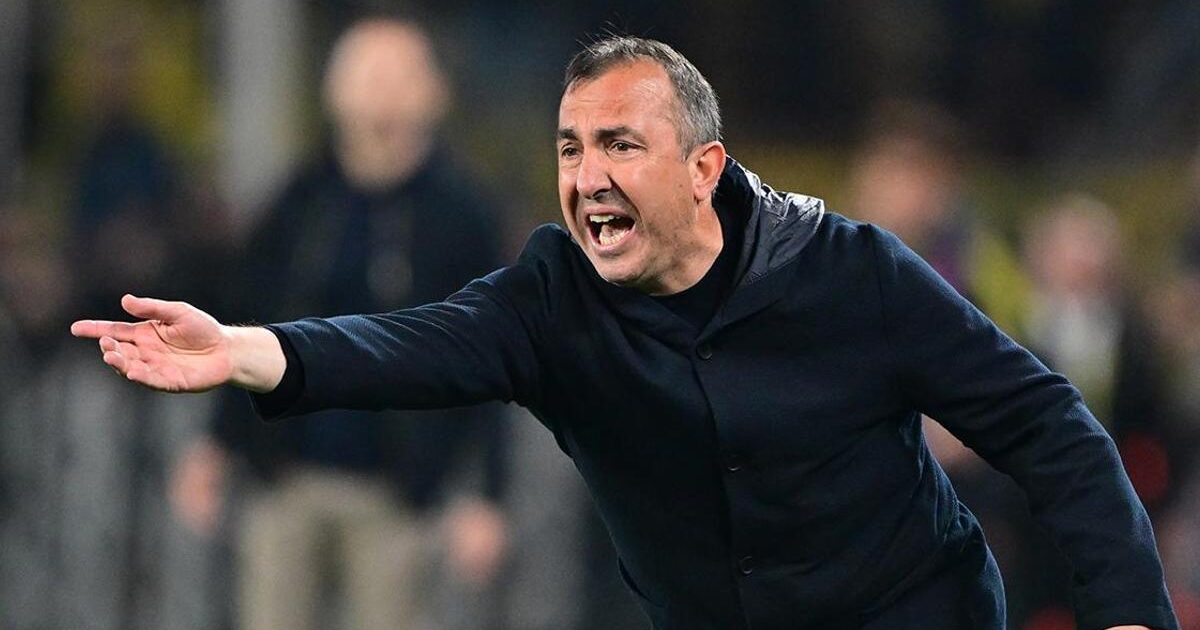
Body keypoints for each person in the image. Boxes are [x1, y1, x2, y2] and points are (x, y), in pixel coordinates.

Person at [72, 36, 1177, 630]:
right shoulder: (553, 297)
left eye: (619, 145)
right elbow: (415, 344)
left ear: (703, 168)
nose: (587, 175)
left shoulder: (853, 272)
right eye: (569, 148)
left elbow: (1048, 426)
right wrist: (246, 350)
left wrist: (1130, 614)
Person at [168, 18, 510, 630]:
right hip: (286, 475)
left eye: (399, 76)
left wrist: (486, 493)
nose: (382, 93)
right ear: (334, 89)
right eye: (367, 75)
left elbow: (494, 354)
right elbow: (245, 322)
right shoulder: (298, 202)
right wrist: (215, 444)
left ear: (435, 92)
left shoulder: (464, 217)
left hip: (398, 491)